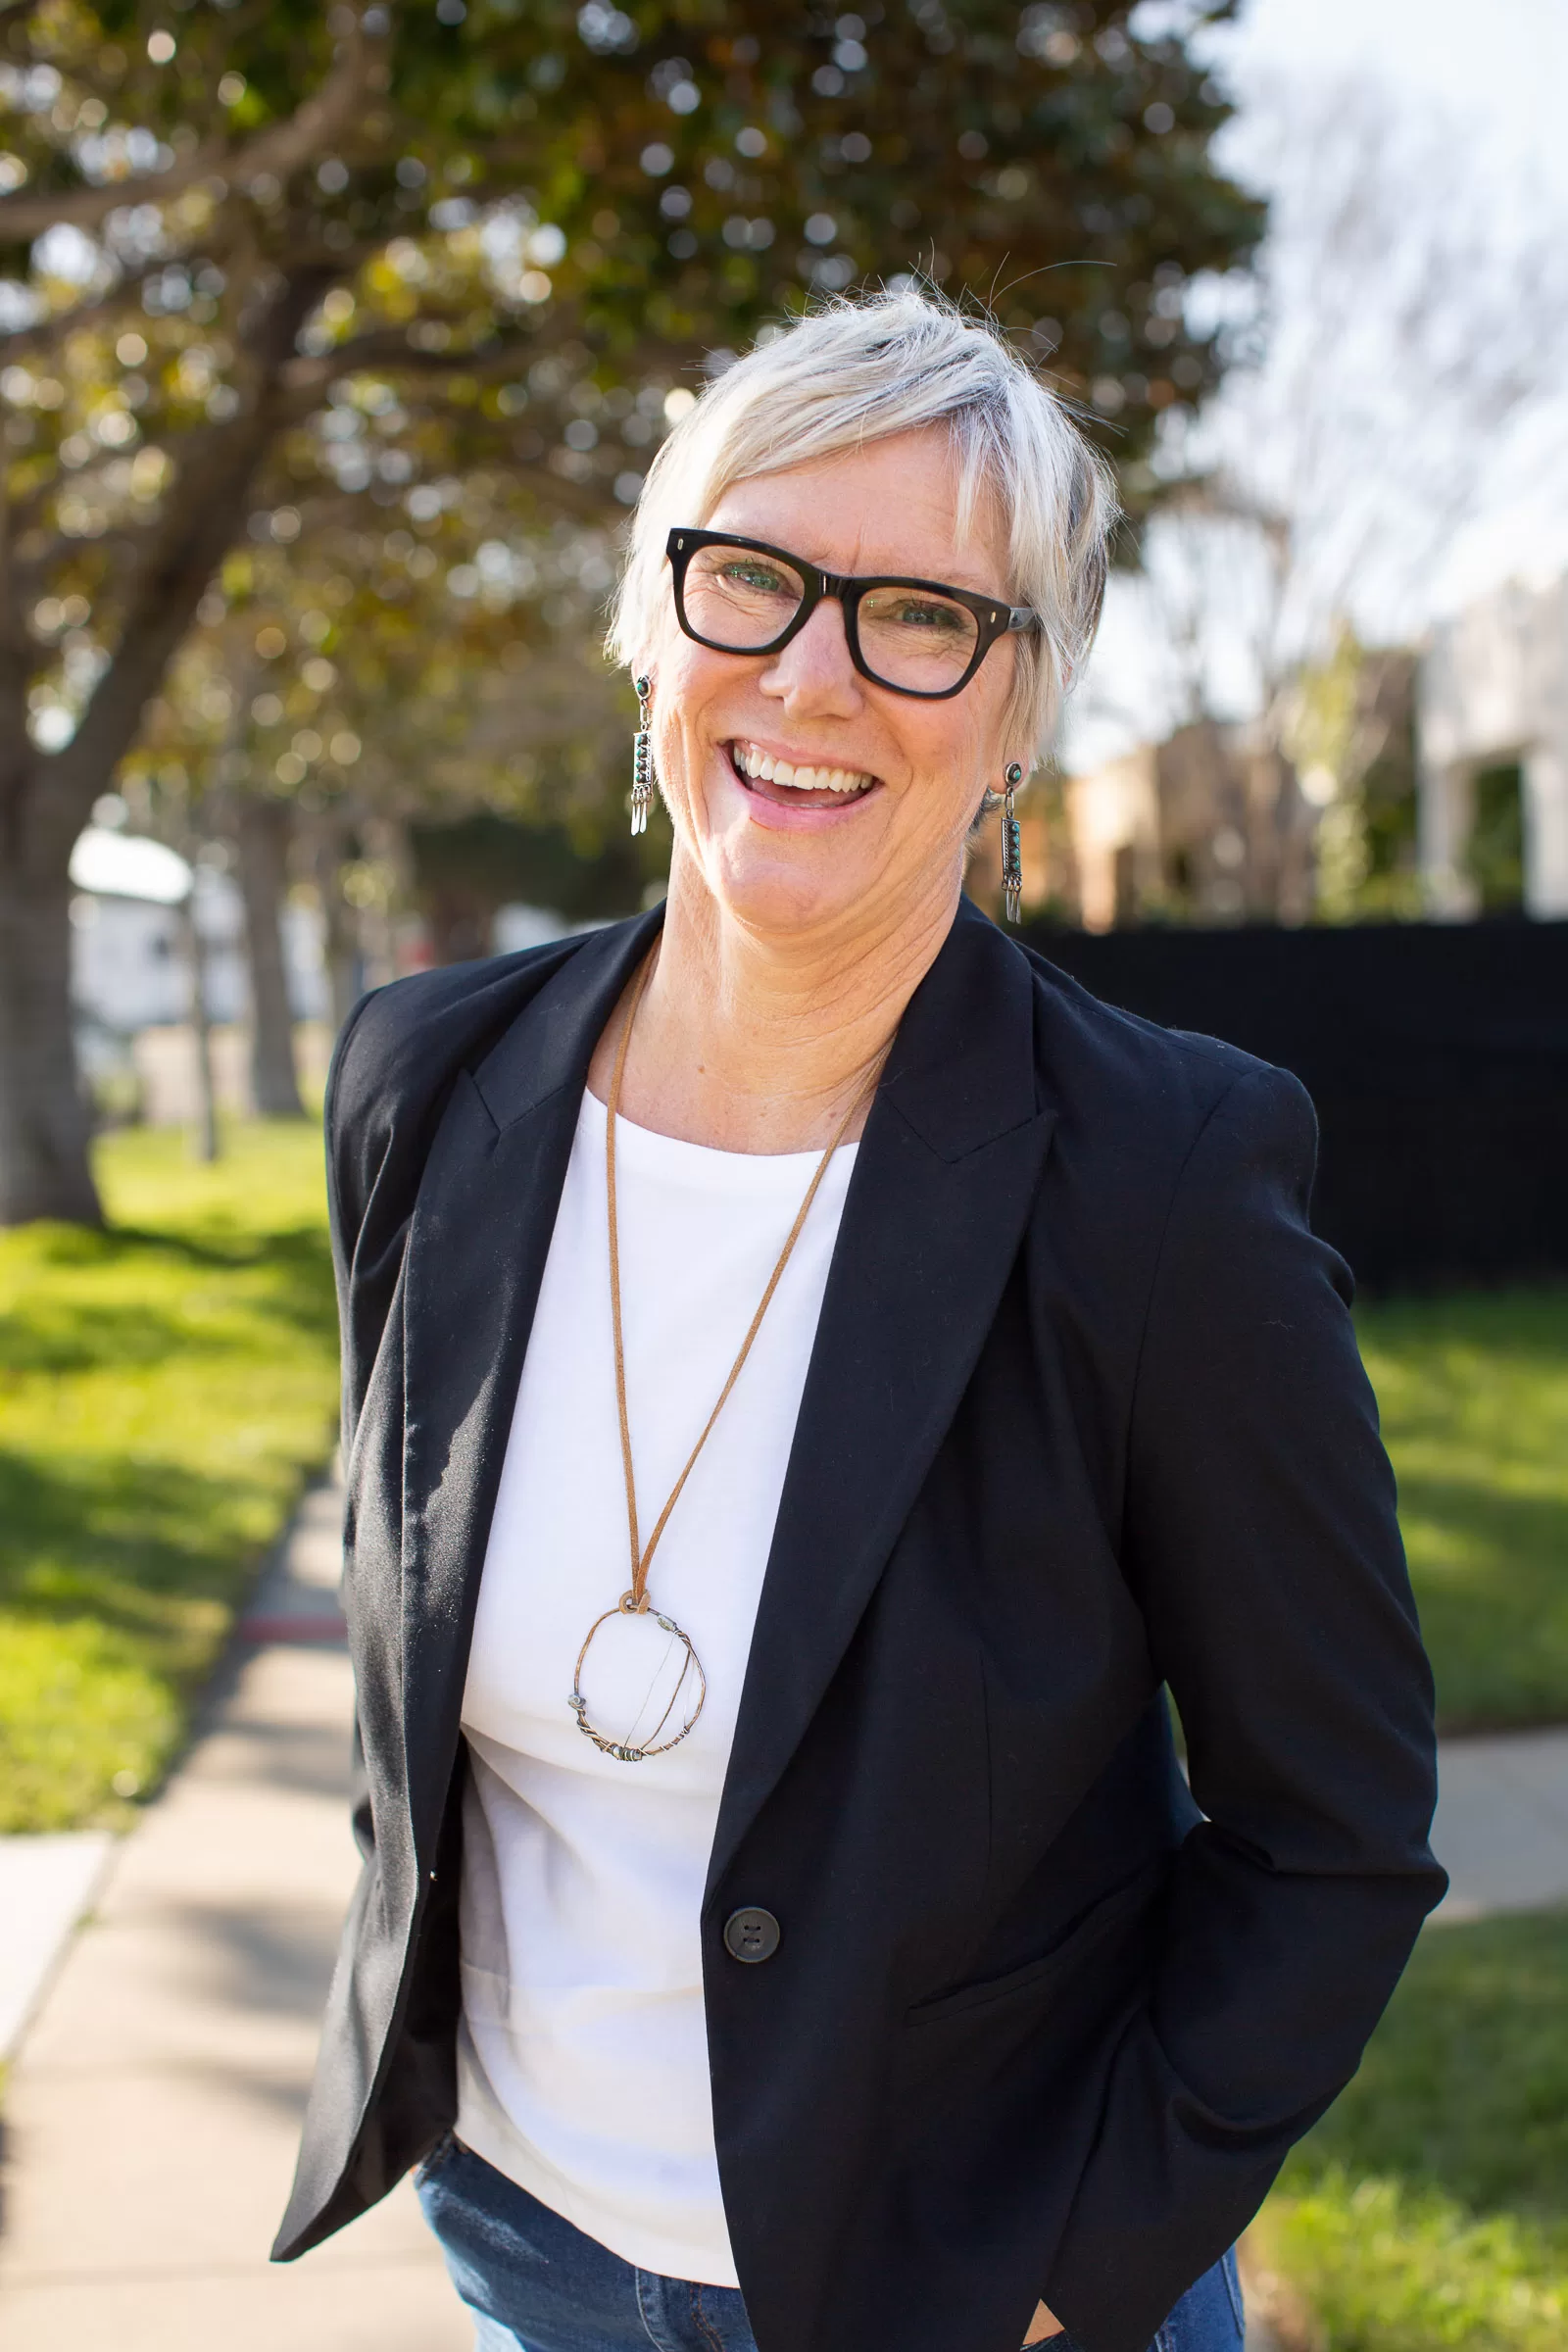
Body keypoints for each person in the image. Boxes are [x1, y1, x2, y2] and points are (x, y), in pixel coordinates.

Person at [273, 290, 1444, 2352]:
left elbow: (1333, 1833)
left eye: (919, 614)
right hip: (527, 2248)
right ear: (654, 625)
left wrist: (1072, 2270)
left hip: (963, 2289)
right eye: (751, 578)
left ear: (1018, 711)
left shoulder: (1159, 1178)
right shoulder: (425, 1084)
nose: (810, 673)